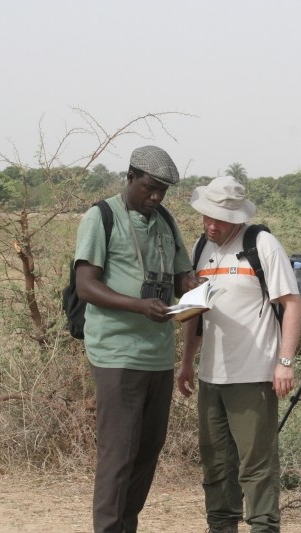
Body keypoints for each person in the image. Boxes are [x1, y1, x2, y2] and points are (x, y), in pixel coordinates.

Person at [73, 145, 202, 533]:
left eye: (163, 190)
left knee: (147, 451)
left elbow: (182, 277)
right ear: (130, 177)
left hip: (158, 355)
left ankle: (127, 525)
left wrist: (198, 289)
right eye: (149, 187)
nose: (156, 197)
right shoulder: (102, 216)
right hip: (117, 353)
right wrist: (138, 306)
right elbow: (86, 286)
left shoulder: (165, 220)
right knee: (118, 453)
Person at [177, 176, 301, 533]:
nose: (210, 224)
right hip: (210, 377)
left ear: (237, 216)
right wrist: (187, 362)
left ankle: (264, 527)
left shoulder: (261, 244)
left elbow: (292, 304)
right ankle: (221, 527)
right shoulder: (201, 247)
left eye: (218, 219)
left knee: (256, 467)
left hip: (253, 376)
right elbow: (195, 312)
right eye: (206, 216)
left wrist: (285, 361)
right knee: (215, 464)